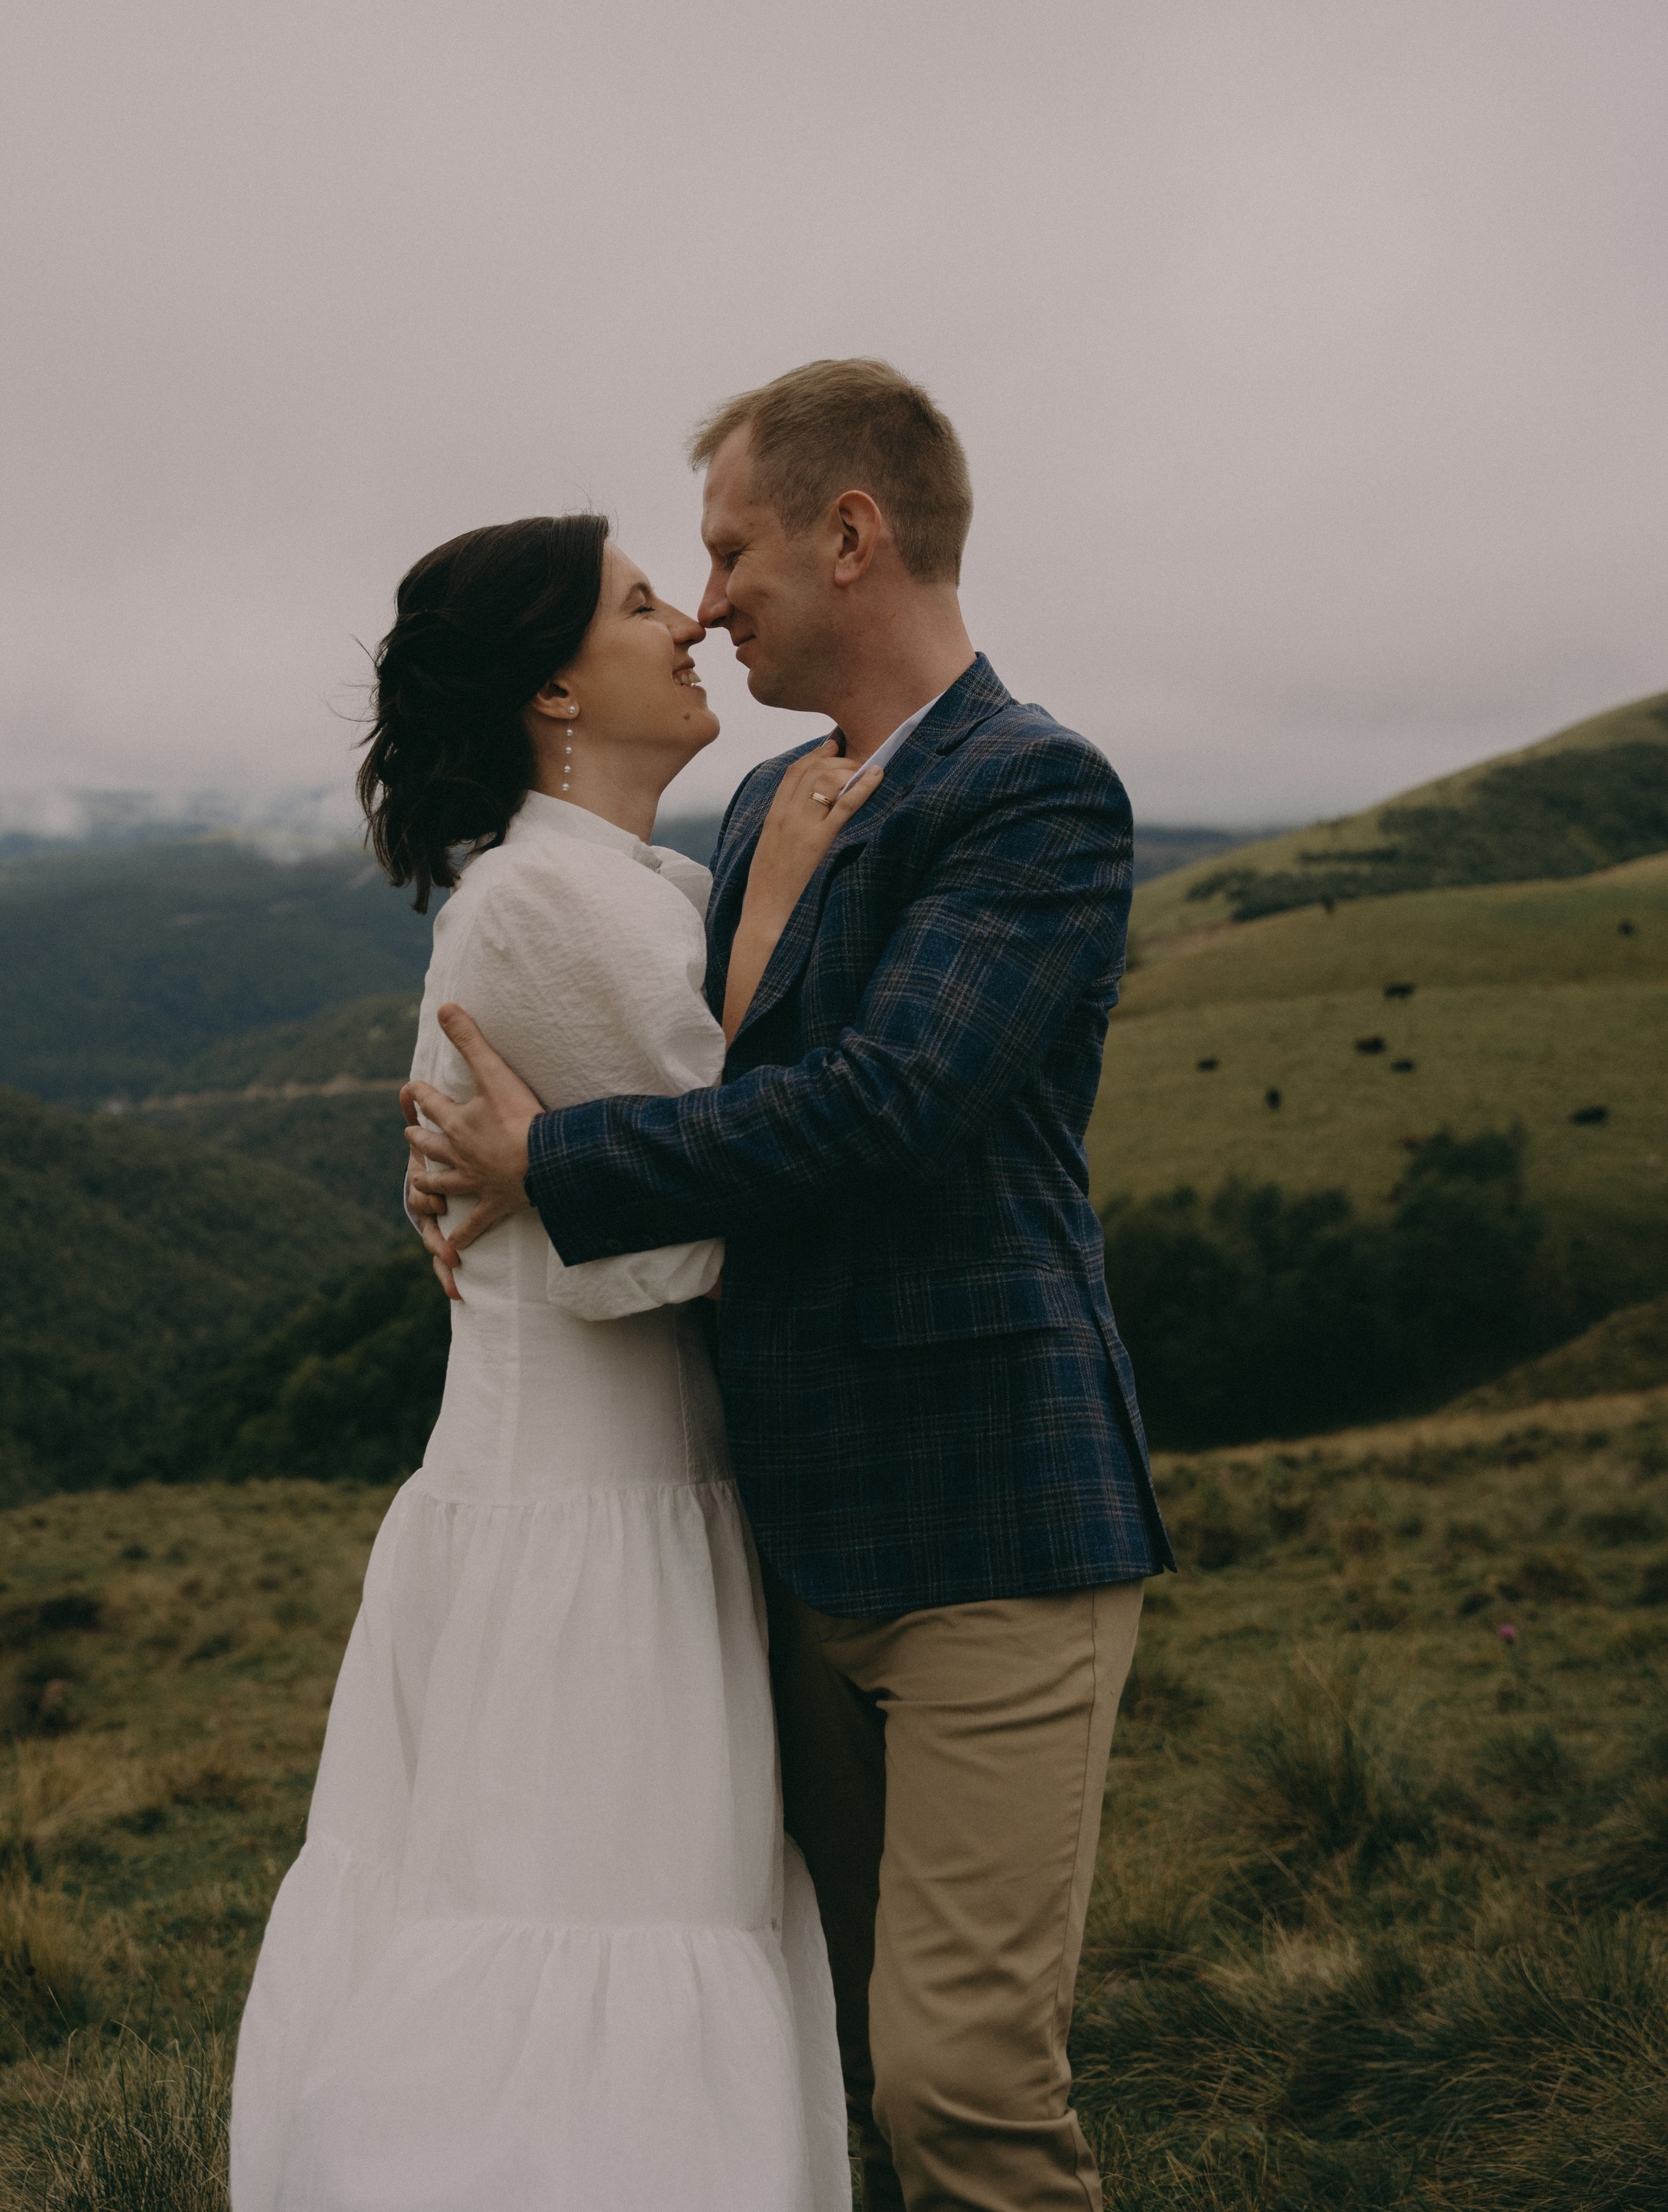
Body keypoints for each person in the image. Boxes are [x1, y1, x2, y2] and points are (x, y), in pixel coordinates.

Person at [408, 359, 1175, 2212]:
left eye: (731, 548)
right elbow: (677, 1058)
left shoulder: (1032, 790)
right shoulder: (754, 811)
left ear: (852, 532)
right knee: (826, 2057)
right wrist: (454, 1134)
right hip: (786, 1542)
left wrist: (547, 1170)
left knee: (961, 2081)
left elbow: (890, 1106)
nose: (710, 596)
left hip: (991, 1519)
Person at [230, 514, 855, 2212]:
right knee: (584, 1926)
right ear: (550, 690)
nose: (689, 622)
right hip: (585, 1521)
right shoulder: (548, 901)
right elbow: (724, 1199)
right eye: (641, 602)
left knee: (619, 1917)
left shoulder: (614, 883)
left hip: (629, 1489)